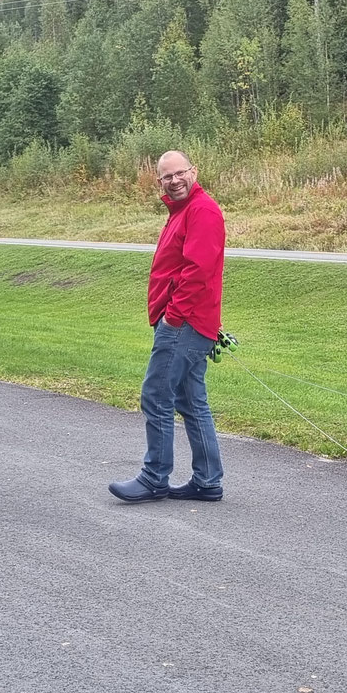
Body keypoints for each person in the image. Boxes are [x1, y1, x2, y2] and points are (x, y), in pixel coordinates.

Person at [108, 150, 226, 503]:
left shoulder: (202, 210)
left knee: (157, 394)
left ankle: (154, 477)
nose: (174, 181)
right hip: (188, 319)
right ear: (158, 181)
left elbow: (198, 271)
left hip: (184, 322)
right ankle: (207, 481)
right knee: (191, 401)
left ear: (194, 172)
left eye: (179, 173)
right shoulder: (181, 211)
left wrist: (174, 317)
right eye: (166, 177)